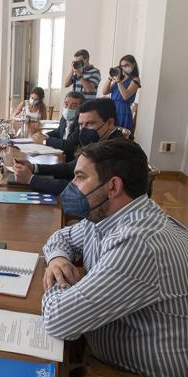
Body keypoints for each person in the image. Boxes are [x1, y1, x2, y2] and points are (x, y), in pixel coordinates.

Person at [41, 139, 188, 377]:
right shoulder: (107, 215)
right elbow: (62, 238)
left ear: (113, 187)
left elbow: (58, 320)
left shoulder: (140, 243)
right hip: (104, 350)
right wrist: (58, 260)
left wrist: (59, 280)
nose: (72, 185)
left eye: (80, 177)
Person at [14, 98, 125, 194]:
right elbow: (71, 167)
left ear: (110, 123)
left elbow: (79, 188)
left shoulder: (114, 150)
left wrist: (31, 179)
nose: (84, 129)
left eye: (90, 124)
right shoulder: (100, 139)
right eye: (81, 125)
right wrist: (34, 167)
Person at [32, 91, 86, 160]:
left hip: (72, 159)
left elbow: (69, 145)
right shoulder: (64, 117)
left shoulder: (82, 123)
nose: (68, 108)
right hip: (61, 154)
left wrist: (45, 140)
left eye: (73, 106)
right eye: (66, 104)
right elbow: (58, 131)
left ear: (81, 108)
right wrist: (43, 135)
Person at [101, 54, 141, 131]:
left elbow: (125, 96)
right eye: (122, 66)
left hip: (123, 110)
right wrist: (110, 77)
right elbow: (104, 91)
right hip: (112, 108)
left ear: (133, 64)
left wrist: (118, 81)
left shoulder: (135, 79)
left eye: (126, 65)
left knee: (120, 137)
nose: (124, 68)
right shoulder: (119, 79)